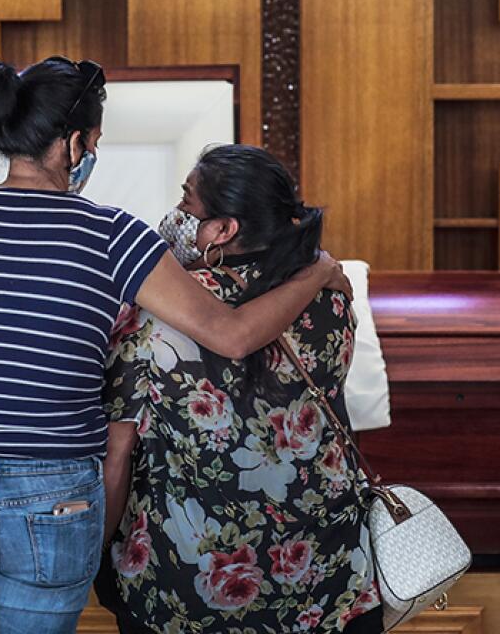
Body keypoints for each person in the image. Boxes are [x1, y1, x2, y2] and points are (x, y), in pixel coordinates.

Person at [0, 56, 352, 634]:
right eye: (95, 140)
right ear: (74, 144)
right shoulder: (113, 234)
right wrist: (318, 271)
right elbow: (233, 335)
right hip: (51, 495)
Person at [96, 144, 383, 634]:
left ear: (224, 230)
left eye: (188, 205)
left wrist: (96, 551)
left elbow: (117, 453)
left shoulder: (157, 313)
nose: (178, 216)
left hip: (185, 583)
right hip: (323, 572)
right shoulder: (330, 297)